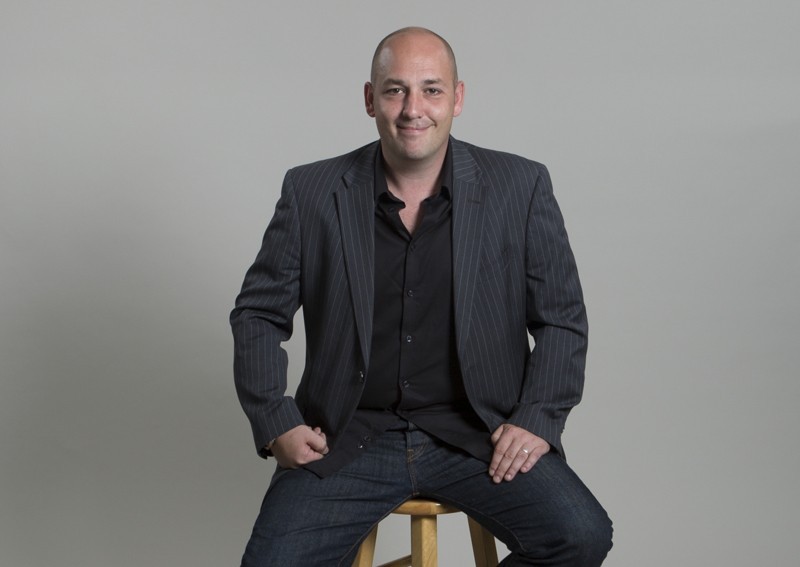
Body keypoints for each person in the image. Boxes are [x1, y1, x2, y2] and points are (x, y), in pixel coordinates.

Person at [230, 26, 612, 566]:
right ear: (370, 99)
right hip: (347, 437)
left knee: (580, 535)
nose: (414, 109)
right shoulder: (311, 191)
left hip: (477, 435)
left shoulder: (520, 187)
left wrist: (538, 416)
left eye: (432, 89)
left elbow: (562, 318)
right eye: (396, 90)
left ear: (457, 98)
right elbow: (257, 314)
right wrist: (277, 422)